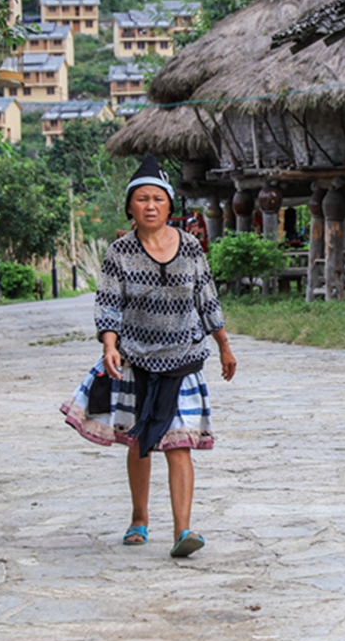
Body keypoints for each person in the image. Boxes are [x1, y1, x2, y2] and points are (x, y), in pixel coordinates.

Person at [60, 156, 237, 558]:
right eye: (142, 199)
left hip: (184, 356)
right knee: (139, 442)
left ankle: (183, 531)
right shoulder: (119, 252)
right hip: (135, 358)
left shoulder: (190, 247)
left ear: (170, 207)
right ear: (130, 206)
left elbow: (207, 298)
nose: (151, 205)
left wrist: (224, 345)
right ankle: (139, 519)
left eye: (158, 199)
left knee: (179, 444)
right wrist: (109, 345)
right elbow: (108, 304)